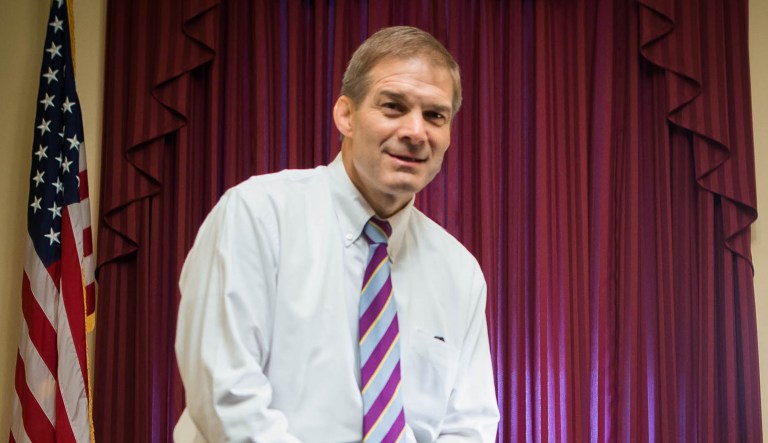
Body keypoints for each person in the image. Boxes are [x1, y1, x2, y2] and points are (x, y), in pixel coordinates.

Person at [174, 26, 500, 442]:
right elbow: (225, 393)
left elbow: (468, 426)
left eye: (435, 115)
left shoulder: (460, 271)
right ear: (346, 115)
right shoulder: (257, 214)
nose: (416, 132)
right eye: (393, 106)